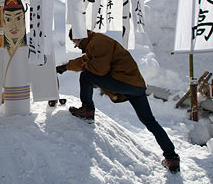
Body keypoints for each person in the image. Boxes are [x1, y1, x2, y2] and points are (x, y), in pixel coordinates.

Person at [56, 30, 180, 173]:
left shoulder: (98, 42)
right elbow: (86, 60)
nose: (76, 46)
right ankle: (171, 157)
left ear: (79, 37)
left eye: (75, 42)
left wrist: (83, 67)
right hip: (136, 85)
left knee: (86, 76)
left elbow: (99, 69)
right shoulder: (95, 42)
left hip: (124, 81)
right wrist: (66, 67)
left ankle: (87, 109)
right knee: (150, 121)